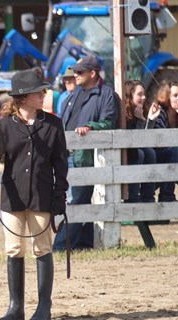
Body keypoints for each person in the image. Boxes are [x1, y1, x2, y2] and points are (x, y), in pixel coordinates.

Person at [0, 68, 69, 320]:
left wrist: (60, 195)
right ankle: (16, 307)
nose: (43, 95)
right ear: (24, 97)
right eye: (39, 92)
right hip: (13, 196)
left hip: (42, 195)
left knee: (42, 248)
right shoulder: (4, 126)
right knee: (14, 249)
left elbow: (61, 164)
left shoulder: (53, 125)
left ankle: (43, 307)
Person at [53, 55, 120, 251]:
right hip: (67, 155)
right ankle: (84, 242)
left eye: (80, 72)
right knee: (74, 200)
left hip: (86, 156)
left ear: (93, 73)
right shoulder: (73, 96)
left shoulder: (106, 95)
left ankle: (60, 246)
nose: (76, 75)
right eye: (75, 72)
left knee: (76, 200)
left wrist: (90, 127)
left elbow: (109, 123)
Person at [123, 80, 157, 203]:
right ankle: (132, 197)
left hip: (134, 152)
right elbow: (133, 143)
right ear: (129, 96)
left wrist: (146, 120)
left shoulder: (140, 111)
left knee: (149, 153)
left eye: (144, 94)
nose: (143, 97)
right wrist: (140, 120)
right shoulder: (123, 116)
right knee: (140, 153)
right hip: (124, 155)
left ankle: (148, 198)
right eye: (139, 94)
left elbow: (145, 142)